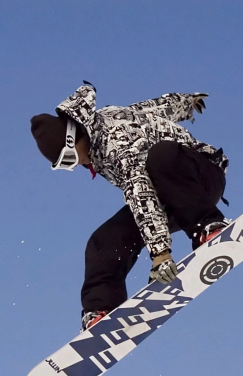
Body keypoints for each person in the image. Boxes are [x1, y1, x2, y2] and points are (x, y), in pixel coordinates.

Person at [30, 82, 230, 331]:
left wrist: (161, 254)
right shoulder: (102, 127)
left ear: (76, 135)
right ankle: (102, 310)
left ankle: (207, 226)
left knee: (160, 157)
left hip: (198, 178)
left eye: (70, 157)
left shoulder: (114, 144)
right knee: (103, 241)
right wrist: (185, 103)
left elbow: (140, 190)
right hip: (168, 198)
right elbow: (150, 110)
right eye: (64, 165)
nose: (75, 165)